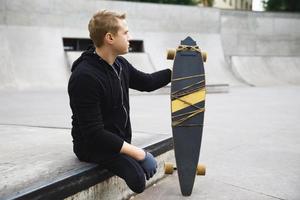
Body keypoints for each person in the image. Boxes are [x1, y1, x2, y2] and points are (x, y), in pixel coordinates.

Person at [68, 10, 171, 193]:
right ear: (110, 37)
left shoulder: (120, 65)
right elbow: (95, 133)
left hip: (116, 140)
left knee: (138, 171)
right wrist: (139, 153)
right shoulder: (84, 77)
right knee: (138, 180)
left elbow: (148, 82)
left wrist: (176, 72)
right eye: (125, 32)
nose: (130, 37)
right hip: (92, 146)